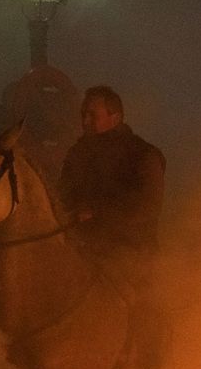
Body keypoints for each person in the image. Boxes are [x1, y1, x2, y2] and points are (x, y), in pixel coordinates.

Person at [58, 86, 166, 293]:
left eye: (92, 115)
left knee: (143, 314)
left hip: (131, 256)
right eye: (83, 114)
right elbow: (62, 195)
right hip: (82, 252)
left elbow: (148, 207)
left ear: (115, 117)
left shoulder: (142, 155)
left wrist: (97, 213)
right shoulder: (77, 154)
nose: (85, 121)